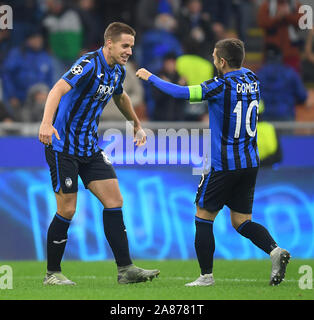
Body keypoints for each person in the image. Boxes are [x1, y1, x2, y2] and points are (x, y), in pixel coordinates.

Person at [136, 38, 290, 286]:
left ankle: (206, 276)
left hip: (225, 164)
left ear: (222, 61)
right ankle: (274, 250)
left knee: (203, 216)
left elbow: (182, 93)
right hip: (250, 162)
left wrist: (150, 77)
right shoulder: (253, 78)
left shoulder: (219, 86)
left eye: (215, 56)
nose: (212, 58)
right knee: (241, 221)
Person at [38, 22, 160, 285]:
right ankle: (52, 273)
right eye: (125, 46)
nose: (129, 51)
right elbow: (58, 89)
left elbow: (121, 96)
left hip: (89, 148)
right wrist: (47, 124)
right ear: (109, 44)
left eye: (131, 47)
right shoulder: (89, 64)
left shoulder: (117, 71)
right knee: (67, 210)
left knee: (114, 201)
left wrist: (136, 124)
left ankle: (126, 270)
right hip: (63, 147)